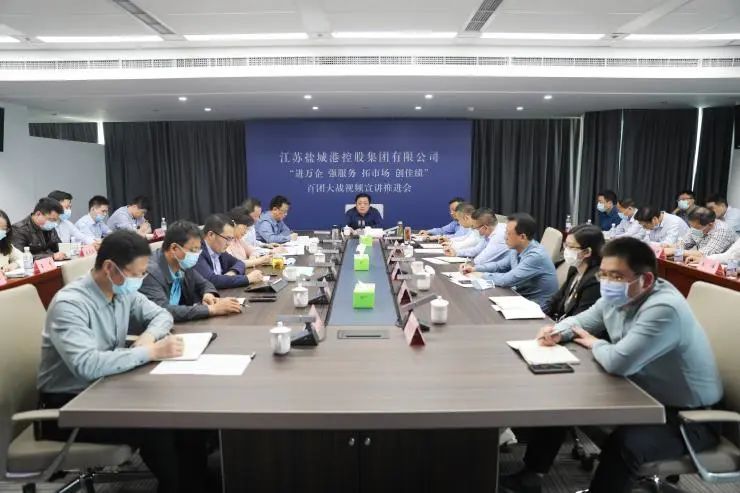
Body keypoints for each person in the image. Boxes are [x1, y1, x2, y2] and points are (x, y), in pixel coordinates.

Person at [504, 237, 722, 493]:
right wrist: (557, 332)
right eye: (604, 274)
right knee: (561, 399)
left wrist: (595, 343)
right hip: (639, 393)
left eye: (616, 276)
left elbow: (618, 362)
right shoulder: (621, 295)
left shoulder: (663, 308)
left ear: (646, 279)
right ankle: (531, 477)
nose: (607, 282)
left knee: (625, 444)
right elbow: (582, 321)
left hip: (688, 417)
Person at [36, 230, 211, 493]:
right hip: (68, 407)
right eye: (137, 274)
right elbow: (87, 365)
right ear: (110, 268)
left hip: (108, 388)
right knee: (158, 425)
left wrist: (149, 337)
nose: (140, 279)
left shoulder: (121, 291)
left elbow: (162, 316)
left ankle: (198, 484)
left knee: (187, 417)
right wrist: (149, 352)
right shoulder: (70, 304)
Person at [139, 220, 242, 322]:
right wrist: (211, 309)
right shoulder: (149, 272)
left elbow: (204, 283)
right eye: (193, 250)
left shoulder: (182, 263)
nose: (196, 255)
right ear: (174, 248)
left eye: (198, 249)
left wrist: (208, 294)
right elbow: (163, 310)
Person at [463, 213, 558, 310]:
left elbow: (507, 280)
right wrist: (475, 269)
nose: (505, 237)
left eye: (508, 233)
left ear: (522, 237)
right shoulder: (516, 248)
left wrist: (481, 275)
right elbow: (499, 266)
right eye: (505, 232)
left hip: (537, 305)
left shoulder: (535, 256)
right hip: (521, 296)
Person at [546, 223, 604, 321]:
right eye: (565, 245)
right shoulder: (574, 269)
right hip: (559, 322)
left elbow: (580, 318)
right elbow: (556, 299)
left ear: (587, 252)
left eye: (571, 247)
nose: (566, 250)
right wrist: (538, 312)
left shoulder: (595, 280)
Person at [195, 213, 263, 289]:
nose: (229, 243)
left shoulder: (219, 250)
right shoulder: (197, 252)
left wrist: (232, 272)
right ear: (211, 235)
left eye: (231, 239)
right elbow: (212, 281)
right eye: (227, 238)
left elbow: (239, 263)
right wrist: (247, 279)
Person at [664, 207, 736, 258]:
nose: (694, 229)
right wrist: (669, 246)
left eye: (697, 227)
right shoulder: (696, 228)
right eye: (692, 226)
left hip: (727, 267)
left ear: (710, 224)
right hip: (701, 262)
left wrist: (675, 251)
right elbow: (684, 244)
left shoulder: (722, 230)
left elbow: (705, 254)